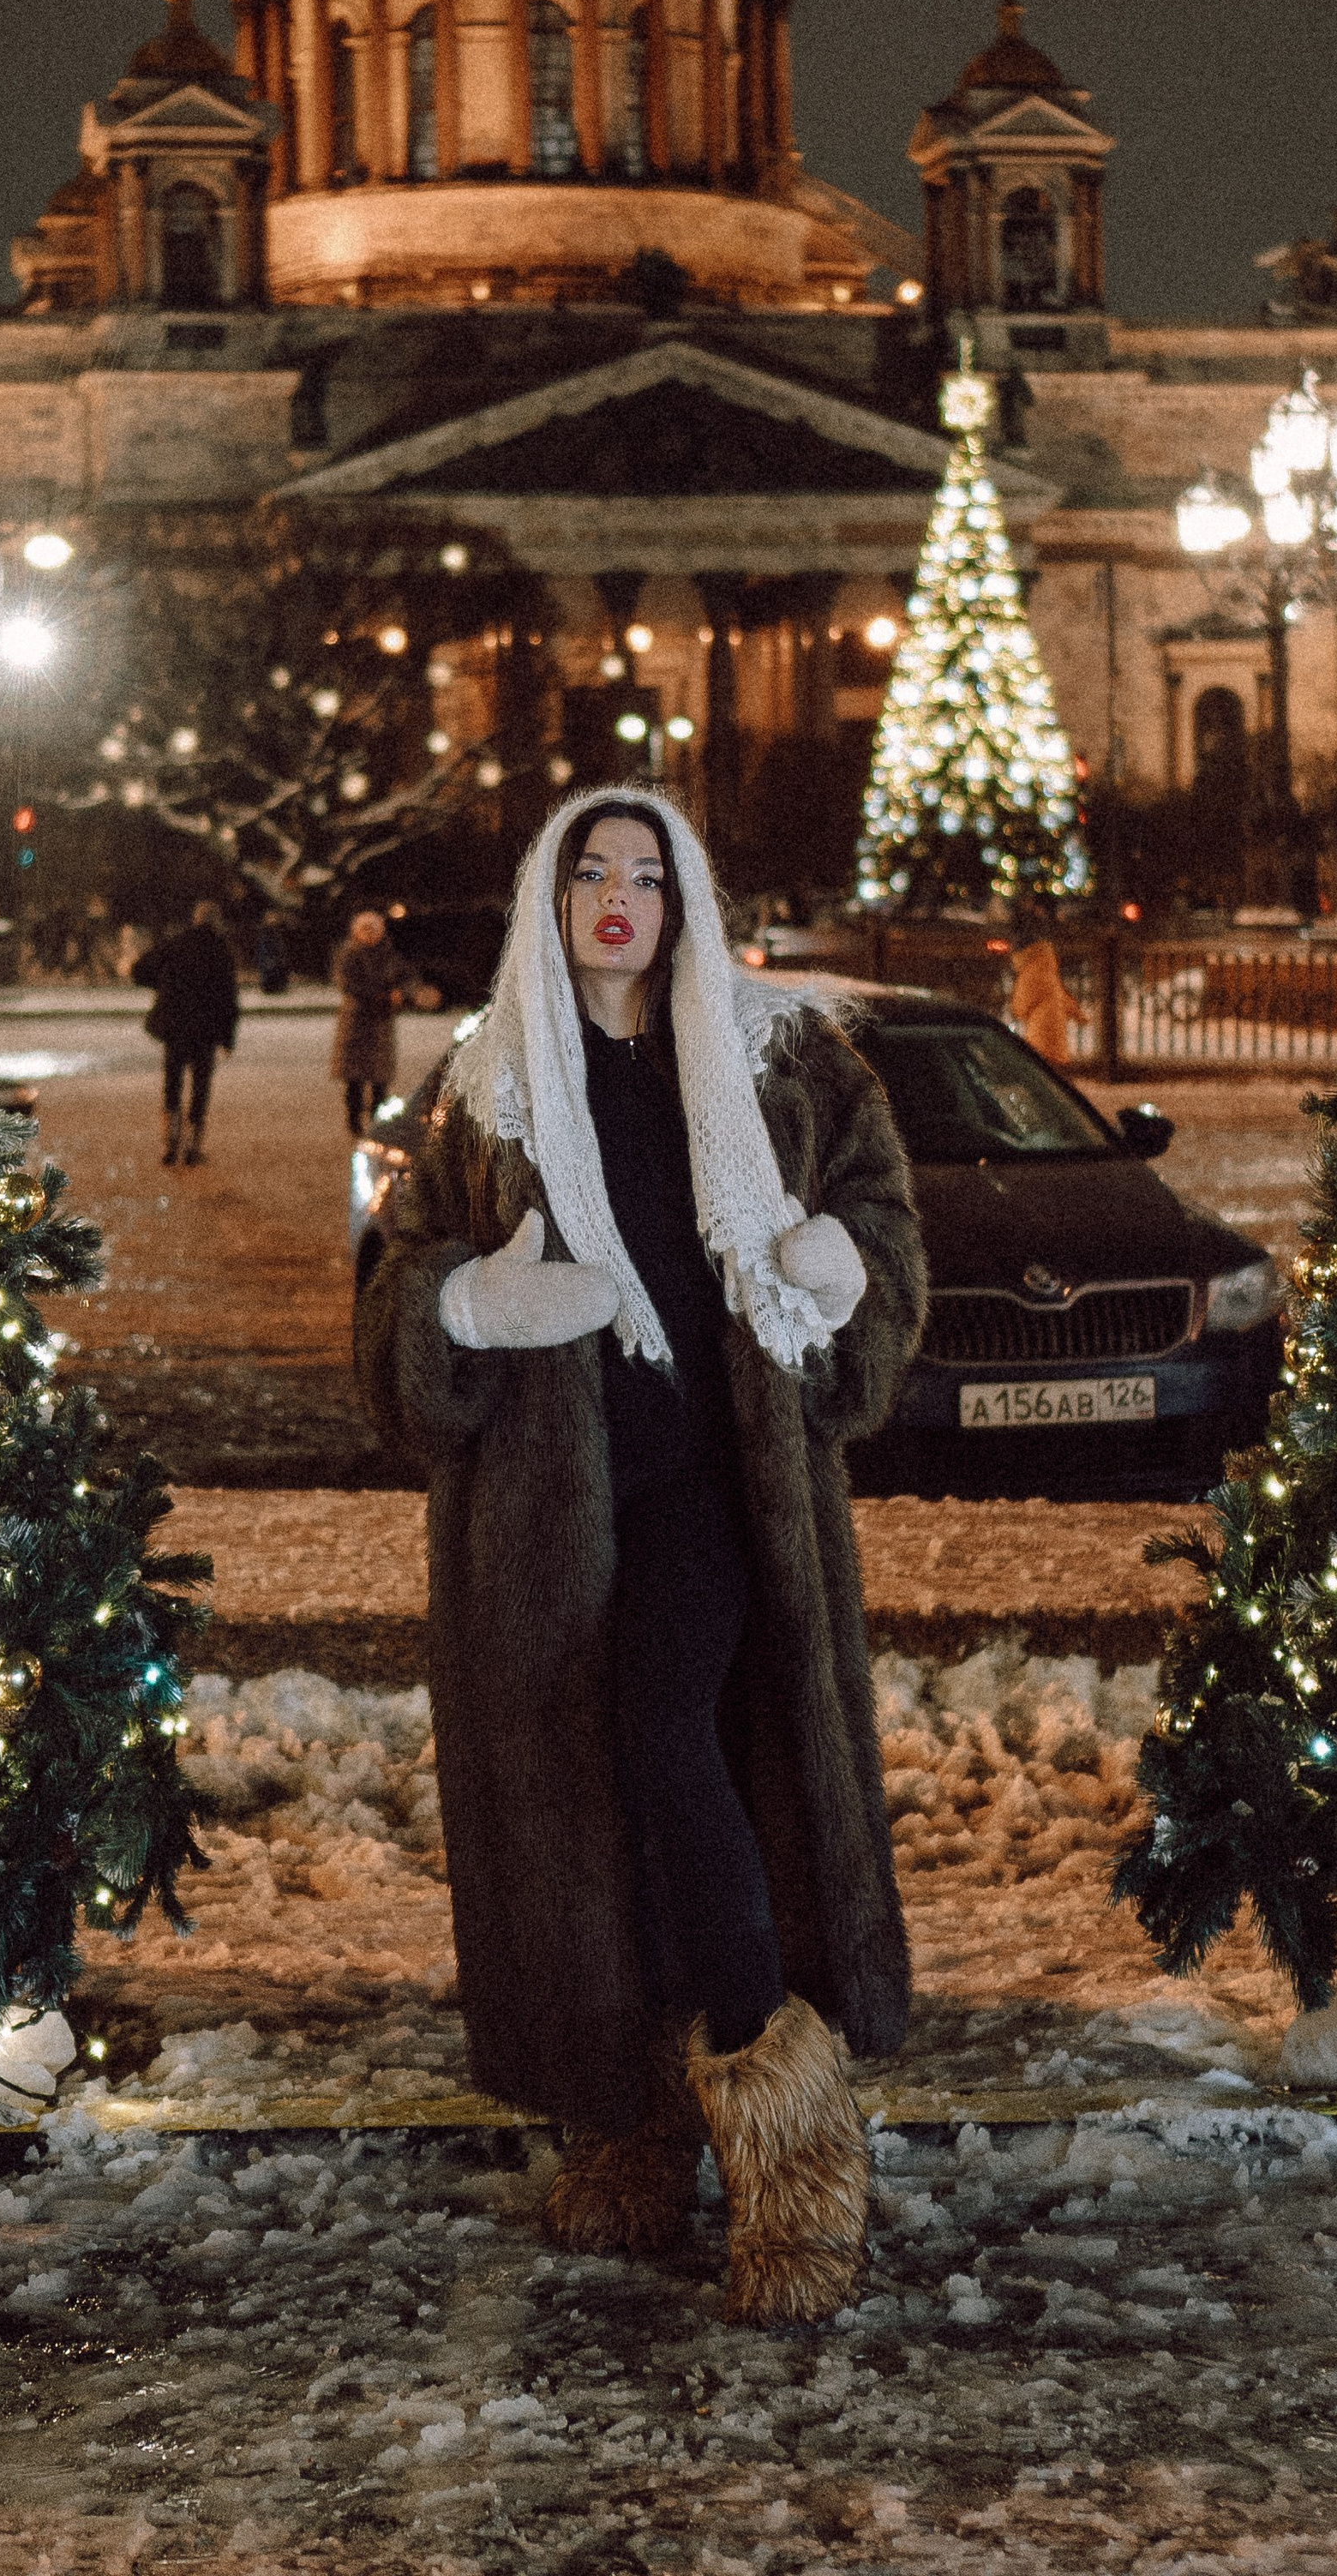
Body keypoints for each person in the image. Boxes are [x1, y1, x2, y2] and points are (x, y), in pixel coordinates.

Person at [356, 790, 926, 2324]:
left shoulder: (785, 1057)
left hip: (725, 1495)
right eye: (590, 872)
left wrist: (844, 1268)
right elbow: (393, 1290)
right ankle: (632, 2118)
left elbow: (881, 1215)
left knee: (675, 1744)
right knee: (595, 1796)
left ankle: (789, 2135)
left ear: (687, 900)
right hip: (547, 1521)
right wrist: (465, 1306)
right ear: (549, 900)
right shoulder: (482, 1089)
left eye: (649, 875)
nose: (620, 898)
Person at [132, 898, 240, 1166]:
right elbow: (229, 999)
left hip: (175, 1026)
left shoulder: (176, 944)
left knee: (172, 1084)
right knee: (200, 1088)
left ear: (195, 919)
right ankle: (192, 1147)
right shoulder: (220, 951)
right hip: (205, 1029)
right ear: (216, 922)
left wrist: (164, 985)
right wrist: (228, 1038)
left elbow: (139, 970)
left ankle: (170, 1144)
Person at [331, 906, 424, 1138]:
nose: (370, 934)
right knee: (354, 1079)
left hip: (381, 1023)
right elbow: (348, 984)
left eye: (374, 929)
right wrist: (383, 996)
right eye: (365, 929)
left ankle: (376, 1121)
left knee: (379, 1079)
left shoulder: (389, 953)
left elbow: (408, 977)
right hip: (356, 1022)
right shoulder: (349, 954)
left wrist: (404, 992)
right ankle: (354, 1119)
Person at [1008, 915, 1086, 1066]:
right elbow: (1062, 997)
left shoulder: (1028, 976)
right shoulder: (1048, 971)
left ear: (1021, 954)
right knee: (1056, 1065)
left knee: (1041, 1066)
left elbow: (1020, 1009)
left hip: (1039, 1034)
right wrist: (1078, 1014)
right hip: (1056, 1032)